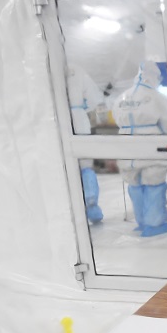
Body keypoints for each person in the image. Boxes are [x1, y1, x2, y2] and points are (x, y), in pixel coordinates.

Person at [111, 60, 167, 237]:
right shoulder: (156, 97)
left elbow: (116, 118)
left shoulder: (122, 97)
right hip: (150, 145)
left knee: (135, 185)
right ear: (155, 77)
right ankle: (154, 224)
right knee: (154, 185)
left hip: (126, 146)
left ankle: (141, 222)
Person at [66, 63, 105, 223]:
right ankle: (91, 206)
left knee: (64, 166)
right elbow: (94, 98)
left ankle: (69, 213)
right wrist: (82, 107)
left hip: (55, 122)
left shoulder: (45, 66)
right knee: (85, 165)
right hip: (79, 120)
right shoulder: (77, 70)